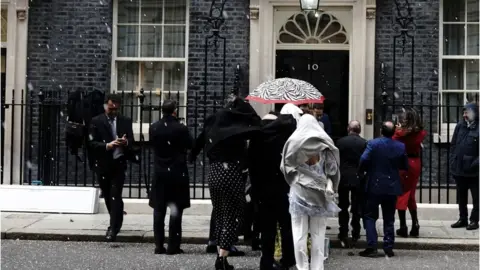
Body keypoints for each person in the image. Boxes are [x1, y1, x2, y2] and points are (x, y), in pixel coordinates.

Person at [190, 95, 261, 270]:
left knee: (221, 214)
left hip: (214, 173)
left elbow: (197, 144)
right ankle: (222, 258)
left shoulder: (214, 126)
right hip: (231, 173)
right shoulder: (236, 130)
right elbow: (256, 122)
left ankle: (219, 251)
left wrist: (192, 156)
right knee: (233, 216)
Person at [280, 114, 340, 270]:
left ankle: (302, 267)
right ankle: (317, 267)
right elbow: (333, 170)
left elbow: (284, 168)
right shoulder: (324, 143)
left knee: (299, 235)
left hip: (298, 193)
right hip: (319, 194)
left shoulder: (293, 143)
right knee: (318, 236)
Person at [249, 109, 297, 270]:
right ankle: (288, 258)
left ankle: (266, 261)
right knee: (286, 226)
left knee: (267, 228)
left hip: (263, 189)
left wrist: (255, 188)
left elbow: (251, 165)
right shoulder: (286, 140)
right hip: (283, 189)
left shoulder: (258, 138)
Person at [148, 100, 193, 255]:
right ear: (175, 111)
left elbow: (154, 145)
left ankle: (159, 245)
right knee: (175, 211)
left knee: (159, 211)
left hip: (160, 173)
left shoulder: (154, 127)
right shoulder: (181, 128)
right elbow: (190, 145)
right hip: (176, 173)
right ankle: (173, 246)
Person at [358, 121, 408, 258]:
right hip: (391, 186)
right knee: (389, 218)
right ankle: (388, 247)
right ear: (393, 133)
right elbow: (404, 165)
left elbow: (363, 159)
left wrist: (362, 172)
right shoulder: (400, 146)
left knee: (369, 216)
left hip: (374, 184)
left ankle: (372, 246)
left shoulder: (373, 144)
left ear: (381, 130)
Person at [88, 94, 134, 242]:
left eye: (116, 108)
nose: (113, 110)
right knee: (108, 196)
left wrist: (125, 142)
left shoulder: (125, 121)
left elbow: (132, 141)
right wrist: (108, 145)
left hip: (119, 163)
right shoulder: (96, 121)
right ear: (105, 106)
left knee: (115, 195)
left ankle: (113, 228)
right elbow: (91, 143)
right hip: (103, 164)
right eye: (111, 107)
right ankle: (117, 219)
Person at [392, 108, 427, 237]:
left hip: (404, 163)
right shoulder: (420, 133)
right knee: (411, 194)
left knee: (402, 194)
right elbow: (420, 135)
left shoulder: (400, 135)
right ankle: (415, 224)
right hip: (415, 162)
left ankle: (403, 226)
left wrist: (398, 129)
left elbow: (394, 138)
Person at [335, 120, 367, 246]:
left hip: (343, 177)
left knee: (342, 206)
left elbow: (336, 160)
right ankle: (356, 231)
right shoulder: (364, 143)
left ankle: (343, 232)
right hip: (358, 177)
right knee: (356, 205)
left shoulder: (340, 142)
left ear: (349, 129)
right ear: (359, 130)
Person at [450, 102, 479, 230]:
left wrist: (475, 163)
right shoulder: (460, 126)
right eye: (463, 112)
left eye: (466, 112)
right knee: (461, 197)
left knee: (476, 198)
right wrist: (453, 160)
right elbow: (453, 144)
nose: (464, 115)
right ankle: (463, 219)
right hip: (459, 169)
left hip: (474, 171)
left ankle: (474, 220)